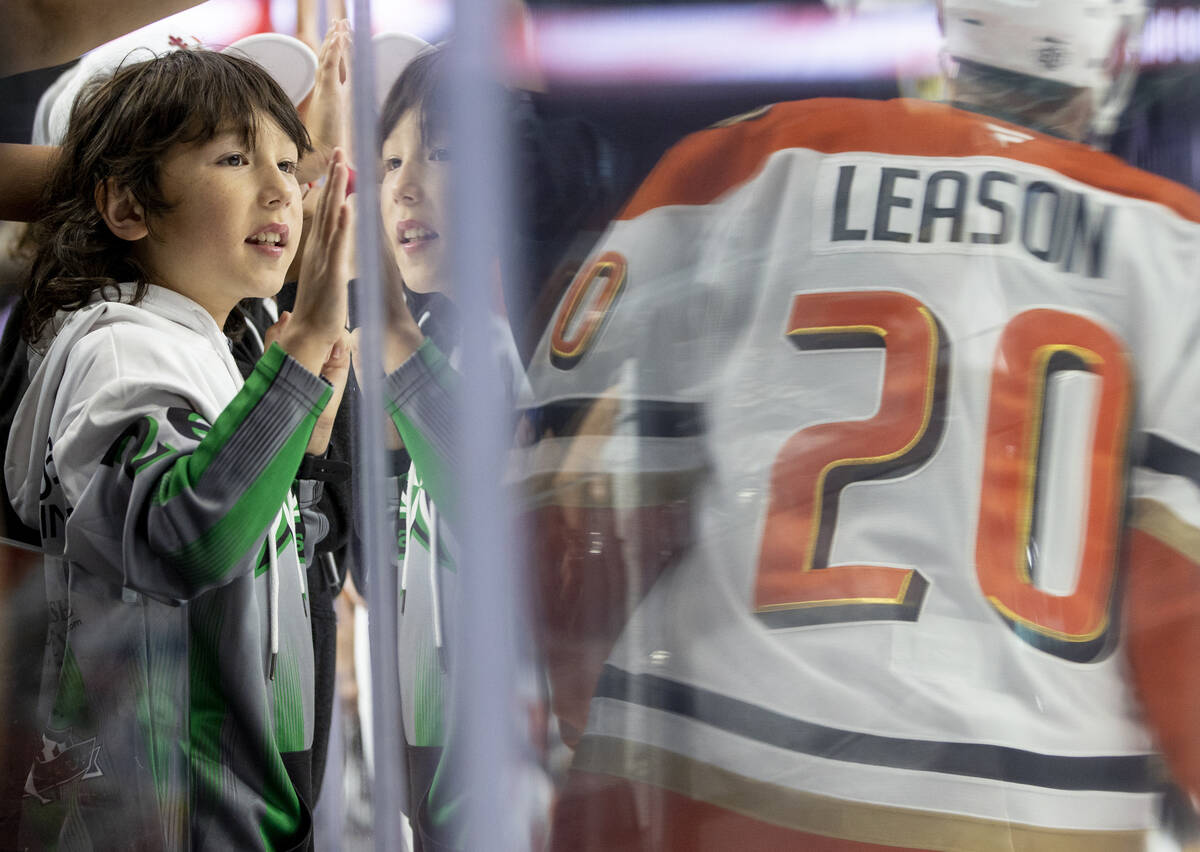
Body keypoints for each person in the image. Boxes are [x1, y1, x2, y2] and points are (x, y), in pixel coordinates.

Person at [523, 0, 1200, 848]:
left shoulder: (748, 163)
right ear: (1113, 57)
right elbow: (1184, 604)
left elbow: (573, 493)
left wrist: (588, 702)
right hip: (1030, 811)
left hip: (701, 779)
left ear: (943, 34)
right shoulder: (1178, 247)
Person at [4, 48, 353, 850]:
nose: (280, 190)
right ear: (128, 206)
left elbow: (275, 590)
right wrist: (299, 352)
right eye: (234, 158)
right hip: (163, 822)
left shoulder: (214, 341)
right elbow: (187, 544)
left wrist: (306, 452)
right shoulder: (121, 348)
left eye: (288, 164)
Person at [368, 45, 533, 850]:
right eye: (390, 159)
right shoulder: (445, 341)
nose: (403, 187)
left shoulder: (522, 341)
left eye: (440, 152)